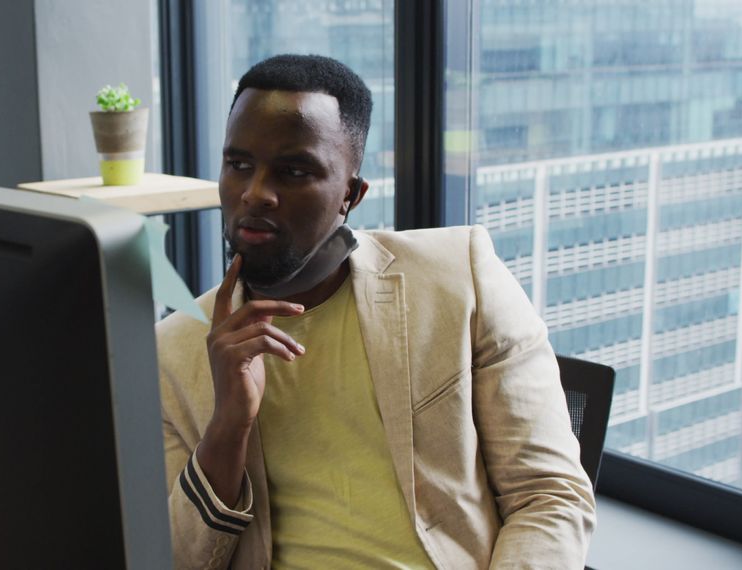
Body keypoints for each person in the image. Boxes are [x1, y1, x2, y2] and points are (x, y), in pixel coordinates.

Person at [156, 54, 595, 570]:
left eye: (294, 171)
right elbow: (174, 561)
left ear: (350, 195)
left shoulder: (460, 278)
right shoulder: (174, 351)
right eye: (239, 165)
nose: (255, 194)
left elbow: (549, 495)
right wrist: (228, 425)